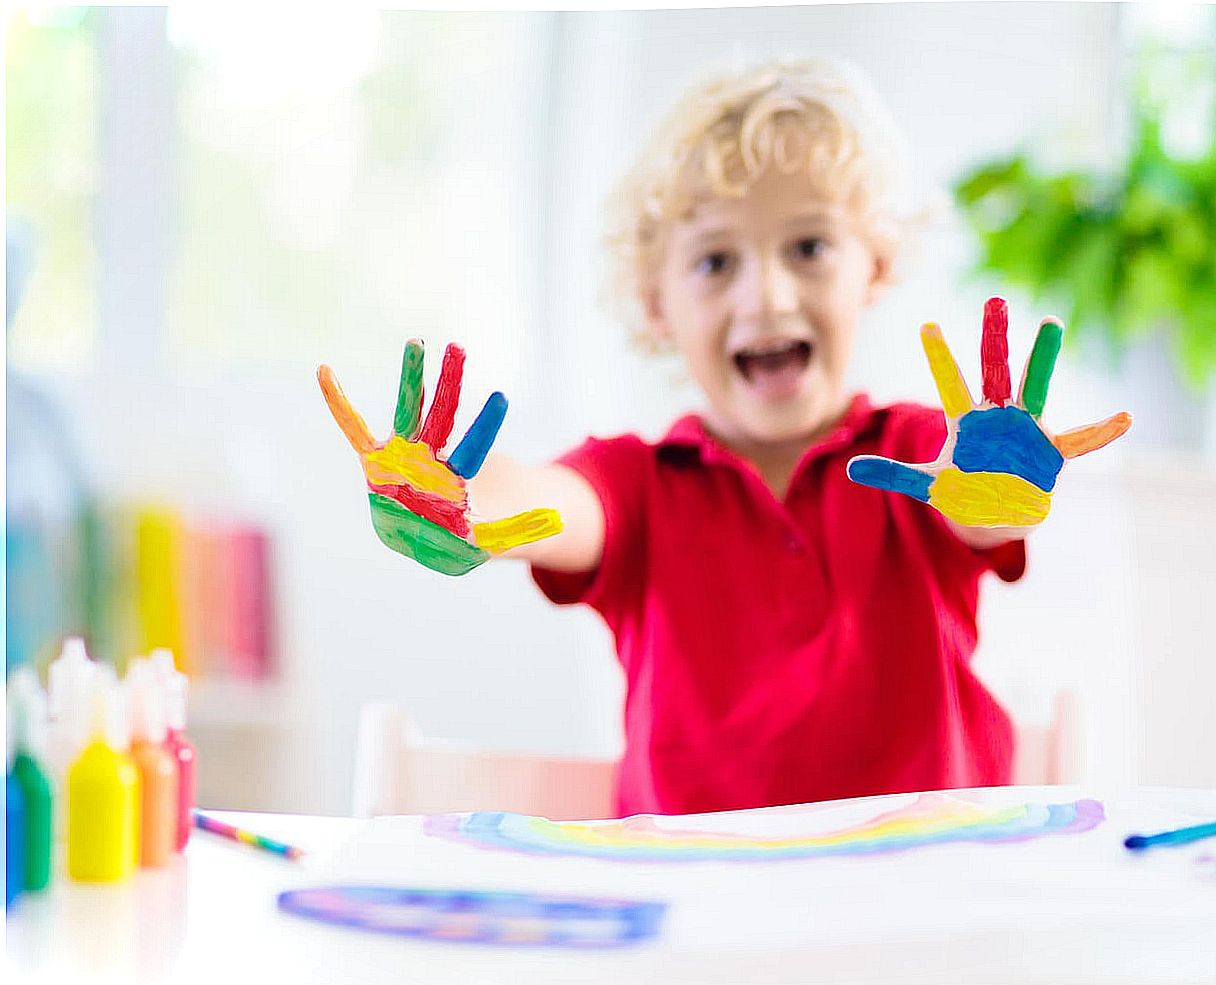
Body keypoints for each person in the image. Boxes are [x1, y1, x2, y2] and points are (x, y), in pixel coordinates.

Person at [318, 57, 1128, 817]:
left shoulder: (922, 450)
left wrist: (999, 485)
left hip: (925, 912)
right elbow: (553, 506)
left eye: (808, 247)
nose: (768, 296)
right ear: (655, 304)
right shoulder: (637, 482)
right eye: (714, 262)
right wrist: (462, 498)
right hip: (690, 932)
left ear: (874, 267)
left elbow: (981, 512)